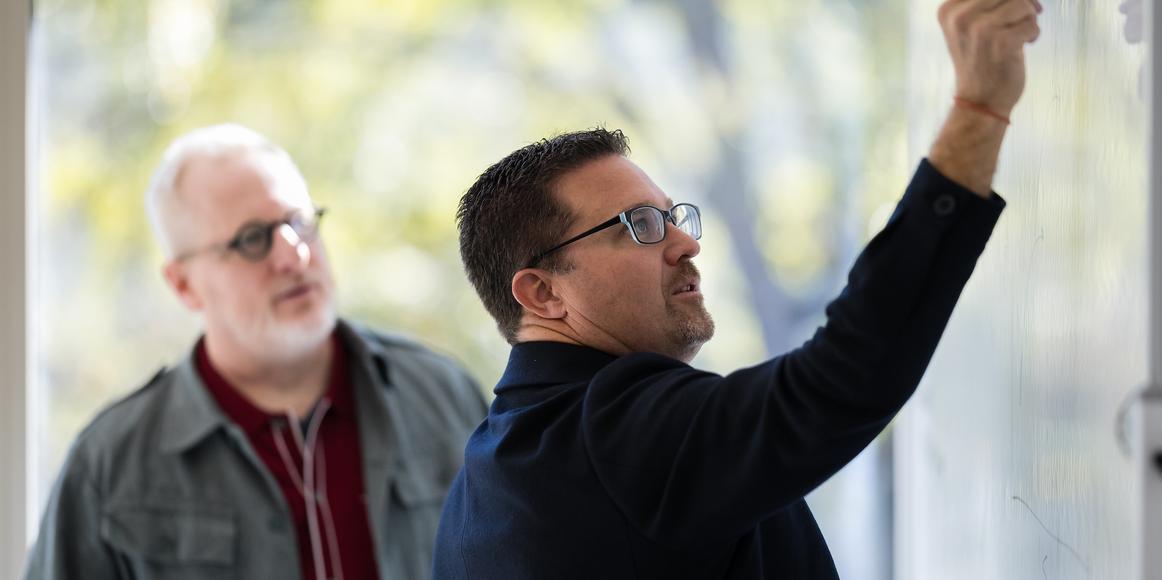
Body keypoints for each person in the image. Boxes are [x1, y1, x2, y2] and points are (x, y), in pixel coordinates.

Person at [435, 0, 1041, 578]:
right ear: (542, 293)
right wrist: (978, 110)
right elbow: (839, 381)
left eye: (675, 217)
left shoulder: (484, 481)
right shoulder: (610, 433)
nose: (685, 243)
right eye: (640, 226)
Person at [24, 124, 487, 580]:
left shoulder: (444, 396)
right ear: (184, 285)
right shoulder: (110, 463)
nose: (294, 256)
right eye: (252, 238)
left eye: (299, 223)